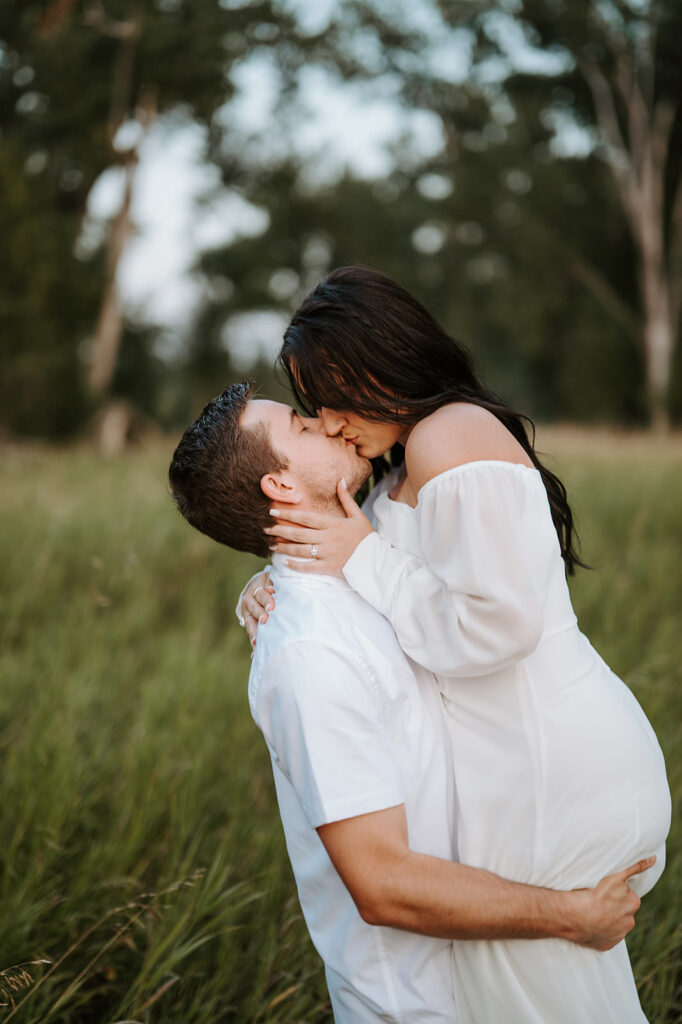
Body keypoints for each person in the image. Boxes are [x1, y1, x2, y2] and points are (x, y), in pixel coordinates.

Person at [240, 266, 672, 1024]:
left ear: (384, 362)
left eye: (335, 396)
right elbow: (381, 581)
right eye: (313, 407)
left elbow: (498, 625)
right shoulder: (400, 464)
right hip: (512, 763)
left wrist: (361, 555)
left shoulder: (451, 433)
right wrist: (269, 584)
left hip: (546, 758)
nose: (332, 421)